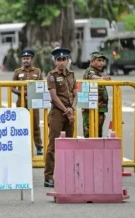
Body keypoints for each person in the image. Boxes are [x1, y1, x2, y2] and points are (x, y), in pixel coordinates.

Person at [44, 48, 78, 188]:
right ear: (55, 61)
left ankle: (67, 174)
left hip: (69, 112)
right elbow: (54, 96)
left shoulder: (71, 74)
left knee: (69, 145)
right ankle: (49, 176)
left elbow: (75, 94)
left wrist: (72, 109)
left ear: (67, 60)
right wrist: (66, 110)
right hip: (58, 113)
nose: (61, 62)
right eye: (59, 60)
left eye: (64, 59)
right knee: (53, 145)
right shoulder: (51, 75)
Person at [12, 50, 44, 155]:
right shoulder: (17, 72)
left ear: (32, 59)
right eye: (24, 58)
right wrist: (22, 93)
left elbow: (42, 86)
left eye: (28, 58)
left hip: (34, 102)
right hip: (20, 101)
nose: (26, 60)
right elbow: (12, 88)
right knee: (20, 124)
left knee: (35, 124)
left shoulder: (37, 72)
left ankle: (39, 146)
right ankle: (21, 145)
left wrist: (32, 93)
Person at [82, 51, 111, 137]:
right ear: (92, 61)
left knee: (98, 134)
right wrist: (102, 78)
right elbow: (92, 76)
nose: (101, 63)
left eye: (102, 61)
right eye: (98, 60)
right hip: (90, 110)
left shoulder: (97, 72)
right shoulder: (89, 71)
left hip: (98, 109)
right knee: (90, 135)